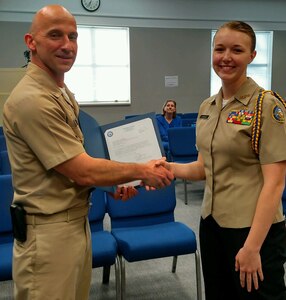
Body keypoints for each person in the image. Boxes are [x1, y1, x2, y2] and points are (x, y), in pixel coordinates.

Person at [2, 5, 173, 300]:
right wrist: (142, 170)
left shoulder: (60, 92)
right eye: (55, 35)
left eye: (73, 36)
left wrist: (111, 184)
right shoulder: (32, 99)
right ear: (32, 42)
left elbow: (71, 166)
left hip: (73, 224)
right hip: (47, 235)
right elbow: (81, 169)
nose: (67, 45)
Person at [162, 21, 286, 299]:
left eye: (237, 50)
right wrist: (168, 168)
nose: (226, 57)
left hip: (253, 230)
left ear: (252, 56)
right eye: (219, 49)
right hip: (212, 224)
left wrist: (252, 247)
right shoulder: (208, 107)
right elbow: (202, 167)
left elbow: (275, 184)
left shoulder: (266, 105)